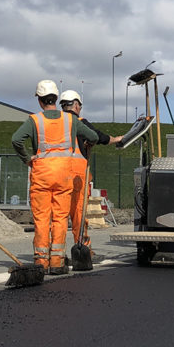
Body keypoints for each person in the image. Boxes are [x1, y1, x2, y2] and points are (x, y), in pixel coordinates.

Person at [12, 80, 98, 275]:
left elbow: (16, 139)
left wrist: (27, 159)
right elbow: (92, 136)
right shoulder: (70, 120)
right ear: (56, 98)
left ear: (40, 101)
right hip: (64, 175)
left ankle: (41, 261)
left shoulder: (34, 120)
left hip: (41, 173)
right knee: (60, 217)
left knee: (42, 218)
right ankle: (57, 261)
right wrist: (88, 144)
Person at [58, 89, 123, 252]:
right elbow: (97, 136)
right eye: (79, 105)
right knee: (78, 213)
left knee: (58, 215)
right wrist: (115, 139)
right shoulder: (79, 122)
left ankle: (56, 253)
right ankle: (84, 249)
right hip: (77, 175)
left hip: (56, 173)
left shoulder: (56, 122)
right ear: (75, 105)